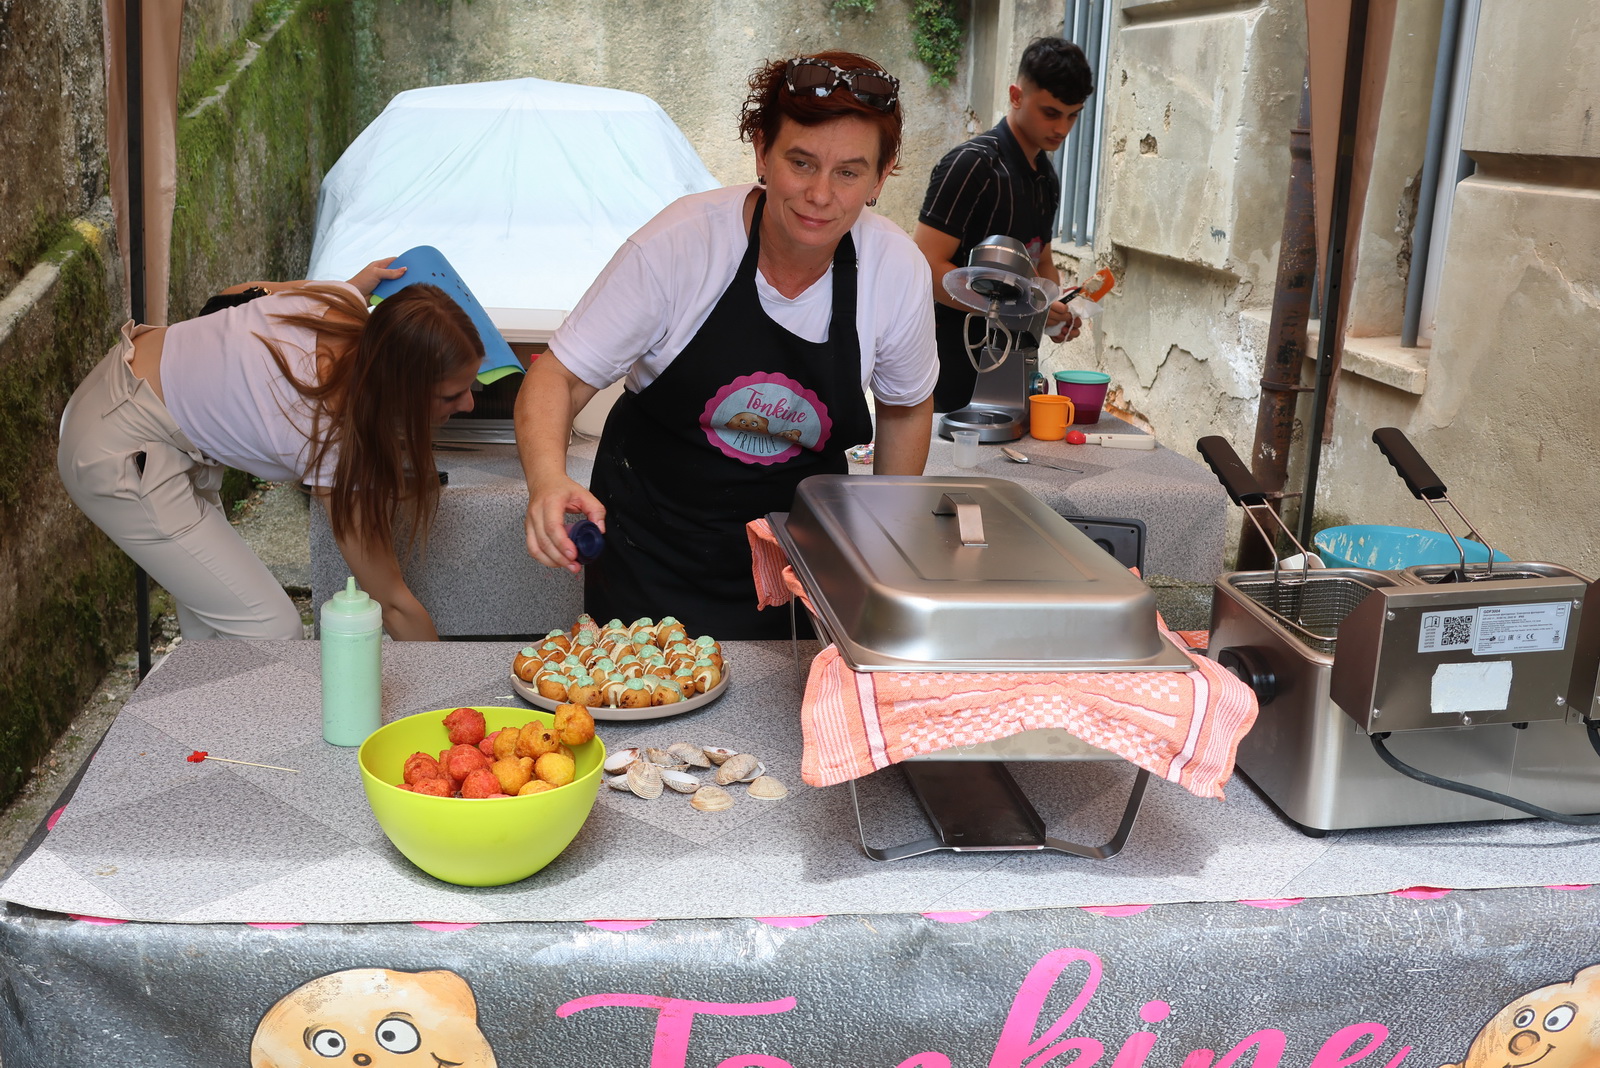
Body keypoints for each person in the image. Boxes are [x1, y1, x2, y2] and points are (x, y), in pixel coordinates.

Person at [516, 51, 937, 639]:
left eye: (848, 172)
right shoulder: (678, 246)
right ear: (762, 152)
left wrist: (886, 536)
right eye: (801, 162)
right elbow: (556, 377)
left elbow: (906, 406)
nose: (820, 194)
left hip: (800, 561)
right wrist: (546, 479)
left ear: (880, 177)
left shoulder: (895, 269)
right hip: (653, 552)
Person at [57, 261, 483, 642]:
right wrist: (446, 695)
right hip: (119, 445)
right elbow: (391, 603)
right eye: (450, 395)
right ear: (401, 389)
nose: (468, 404)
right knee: (268, 631)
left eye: (471, 386)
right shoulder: (327, 431)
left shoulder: (339, 301)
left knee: (213, 633)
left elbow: (231, 296)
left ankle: (207, 710)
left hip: (125, 381)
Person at [915, 37, 1095, 413]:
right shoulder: (971, 165)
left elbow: (1041, 261)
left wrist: (1052, 313)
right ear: (1016, 96)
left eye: (1073, 115)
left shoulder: (1046, 178)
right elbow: (925, 267)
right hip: (947, 369)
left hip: (1014, 373)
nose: (1062, 128)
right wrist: (1019, 308)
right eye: (1051, 112)